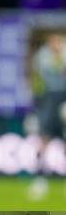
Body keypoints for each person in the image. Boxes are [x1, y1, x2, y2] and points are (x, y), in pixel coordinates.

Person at [27, 33, 66, 199]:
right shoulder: (42, 56)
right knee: (44, 139)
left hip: (64, 98)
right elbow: (47, 74)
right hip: (49, 99)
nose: (56, 44)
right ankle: (40, 179)